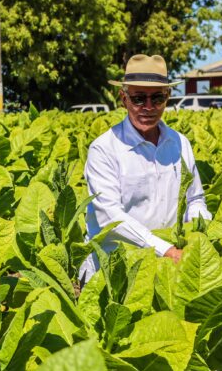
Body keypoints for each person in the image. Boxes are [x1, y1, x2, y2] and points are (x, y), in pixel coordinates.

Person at [80, 54, 212, 284]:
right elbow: (111, 217)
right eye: (139, 98)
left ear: (167, 98)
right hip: (114, 273)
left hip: (170, 269)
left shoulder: (180, 143)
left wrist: (198, 235)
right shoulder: (104, 149)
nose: (148, 107)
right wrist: (165, 249)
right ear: (124, 98)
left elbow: (196, 199)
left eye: (157, 98)